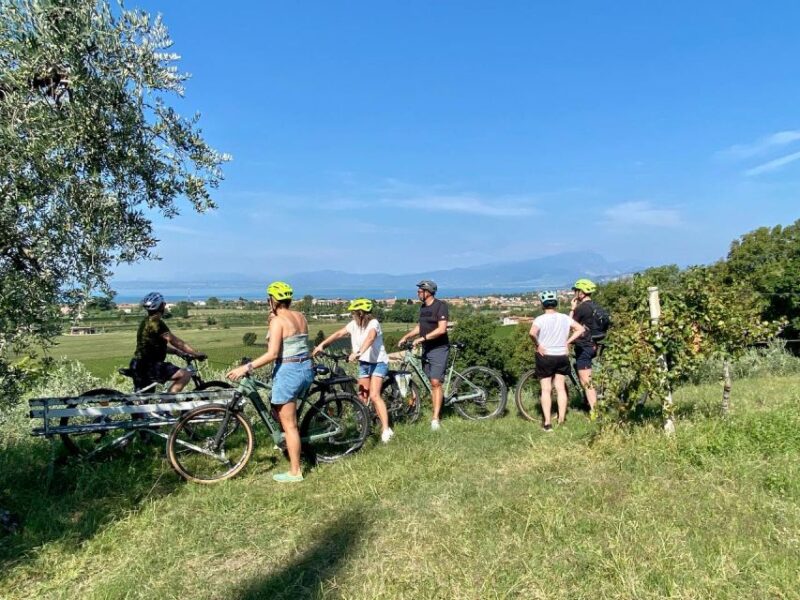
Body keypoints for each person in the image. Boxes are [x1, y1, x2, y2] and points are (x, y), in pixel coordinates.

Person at [226, 282, 314, 483]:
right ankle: (288, 445)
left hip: (289, 370)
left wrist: (245, 368)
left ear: (272, 301)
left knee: (290, 425)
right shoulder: (301, 317)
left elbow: (272, 352)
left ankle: (295, 472)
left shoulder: (277, 321)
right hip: (306, 367)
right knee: (284, 413)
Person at [312, 298, 394, 443]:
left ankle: (386, 430)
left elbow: (370, 338)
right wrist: (321, 346)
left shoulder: (373, 323)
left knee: (374, 396)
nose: (352, 315)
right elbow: (338, 334)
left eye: (353, 313)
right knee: (362, 397)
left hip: (378, 363)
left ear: (360, 313)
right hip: (364, 363)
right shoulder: (354, 325)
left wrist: (358, 352)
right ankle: (366, 426)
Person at [397, 280, 449, 431]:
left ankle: (435, 419)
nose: (418, 293)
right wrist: (406, 337)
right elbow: (420, 327)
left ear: (428, 292)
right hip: (427, 348)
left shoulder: (440, 306)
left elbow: (441, 329)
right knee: (430, 382)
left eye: (420, 291)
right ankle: (439, 405)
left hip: (439, 348)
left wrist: (422, 339)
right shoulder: (423, 307)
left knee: (435, 382)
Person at [530, 290, 585, 431]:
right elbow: (579, 329)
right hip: (561, 355)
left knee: (546, 389)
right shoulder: (564, 318)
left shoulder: (540, 319)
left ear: (543, 304)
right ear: (556, 303)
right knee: (561, 388)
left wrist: (538, 345)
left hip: (545, 356)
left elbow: (532, 333)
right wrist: (568, 342)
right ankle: (561, 420)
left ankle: (547, 423)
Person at [132, 292, 206, 393]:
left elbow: (156, 346)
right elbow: (176, 341)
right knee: (185, 374)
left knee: (144, 402)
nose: (165, 305)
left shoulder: (146, 322)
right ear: (161, 306)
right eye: (163, 303)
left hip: (138, 363)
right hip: (151, 366)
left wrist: (176, 352)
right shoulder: (157, 324)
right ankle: (167, 403)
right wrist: (195, 353)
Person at [570, 278, 599, 411]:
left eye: (576, 290)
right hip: (593, 345)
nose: (575, 293)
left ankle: (595, 412)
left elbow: (570, 325)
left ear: (581, 292)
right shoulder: (594, 306)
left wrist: (572, 309)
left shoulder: (581, 308)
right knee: (583, 377)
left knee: (587, 382)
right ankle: (587, 403)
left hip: (584, 346)